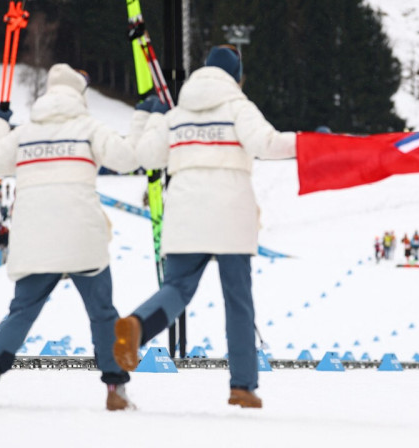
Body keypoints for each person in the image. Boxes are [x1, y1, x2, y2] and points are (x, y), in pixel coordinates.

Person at [112, 45, 296, 409]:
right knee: (237, 300)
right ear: (236, 76)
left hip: (183, 208)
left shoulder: (176, 114)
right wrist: (310, 144)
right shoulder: (238, 107)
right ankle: (242, 386)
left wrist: (153, 118)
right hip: (230, 210)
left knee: (178, 288)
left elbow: (146, 157)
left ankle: (138, 325)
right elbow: (268, 143)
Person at [0, 63, 139, 410]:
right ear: (79, 95)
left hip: (34, 240)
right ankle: (115, 391)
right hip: (82, 239)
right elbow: (127, 159)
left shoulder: (25, 132)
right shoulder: (89, 127)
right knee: (103, 314)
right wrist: (144, 119)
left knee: (21, 312)